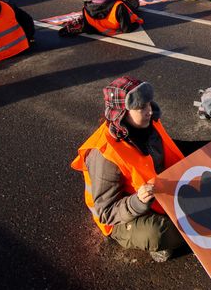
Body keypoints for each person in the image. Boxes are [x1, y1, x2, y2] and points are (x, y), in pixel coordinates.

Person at [71, 77, 189, 262]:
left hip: (157, 194)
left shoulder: (148, 124)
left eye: (149, 103)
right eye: (141, 107)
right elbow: (106, 213)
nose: (149, 111)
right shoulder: (104, 154)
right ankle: (162, 241)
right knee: (158, 233)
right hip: (122, 217)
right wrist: (137, 202)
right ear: (122, 113)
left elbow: (173, 148)